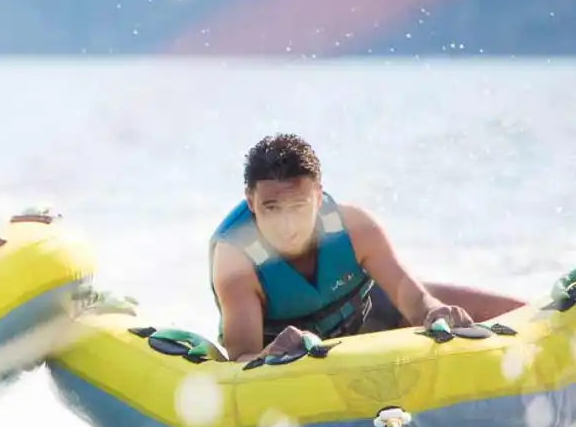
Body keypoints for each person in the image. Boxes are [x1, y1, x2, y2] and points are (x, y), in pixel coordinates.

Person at [210, 133, 524, 362]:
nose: (287, 224)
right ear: (251, 202)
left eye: (299, 205)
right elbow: (242, 359)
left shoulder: (354, 226)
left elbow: (414, 301)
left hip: (365, 318)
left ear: (319, 197)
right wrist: (270, 357)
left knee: (508, 311)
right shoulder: (235, 260)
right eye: (272, 208)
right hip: (287, 350)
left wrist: (433, 311)